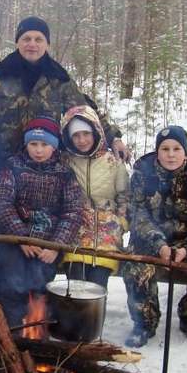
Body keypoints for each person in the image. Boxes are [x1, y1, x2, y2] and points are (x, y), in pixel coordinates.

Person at [0, 16, 128, 166]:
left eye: (38, 39)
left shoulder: (58, 78)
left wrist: (114, 138)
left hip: (44, 160)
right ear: (18, 42)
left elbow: (85, 112)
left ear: (47, 43)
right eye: (26, 38)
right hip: (1, 159)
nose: (32, 44)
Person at [122, 126, 187, 347]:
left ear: (185, 152)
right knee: (133, 264)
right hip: (150, 242)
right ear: (157, 152)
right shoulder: (141, 176)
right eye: (165, 148)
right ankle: (144, 322)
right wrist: (159, 244)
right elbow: (138, 216)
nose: (170, 154)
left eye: (176, 148)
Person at [0, 116, 84, 328]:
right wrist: (21, 238)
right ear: (26, 144)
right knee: (11, 281)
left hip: (48, 244)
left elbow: (73, 212)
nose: (39, 150)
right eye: (33, 144)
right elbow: (1, 202)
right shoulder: (13, 167)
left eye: (45, 144)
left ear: (54, 146)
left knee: (41, 281)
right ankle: (11, 331)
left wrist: (55, 247)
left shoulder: (65, 174)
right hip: (16, 239)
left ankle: (37, 331)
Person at [59, 105, 129, 290]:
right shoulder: (66, 161)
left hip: (107, 235)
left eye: (86, 133)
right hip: (76, 232)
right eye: (75, 135)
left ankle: (94, 319)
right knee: (75, 286)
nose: (82, 140)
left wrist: (120, 221)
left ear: (96, 131)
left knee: (96, 287)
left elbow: (125, 197)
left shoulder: (112, 161)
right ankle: (70, 319)